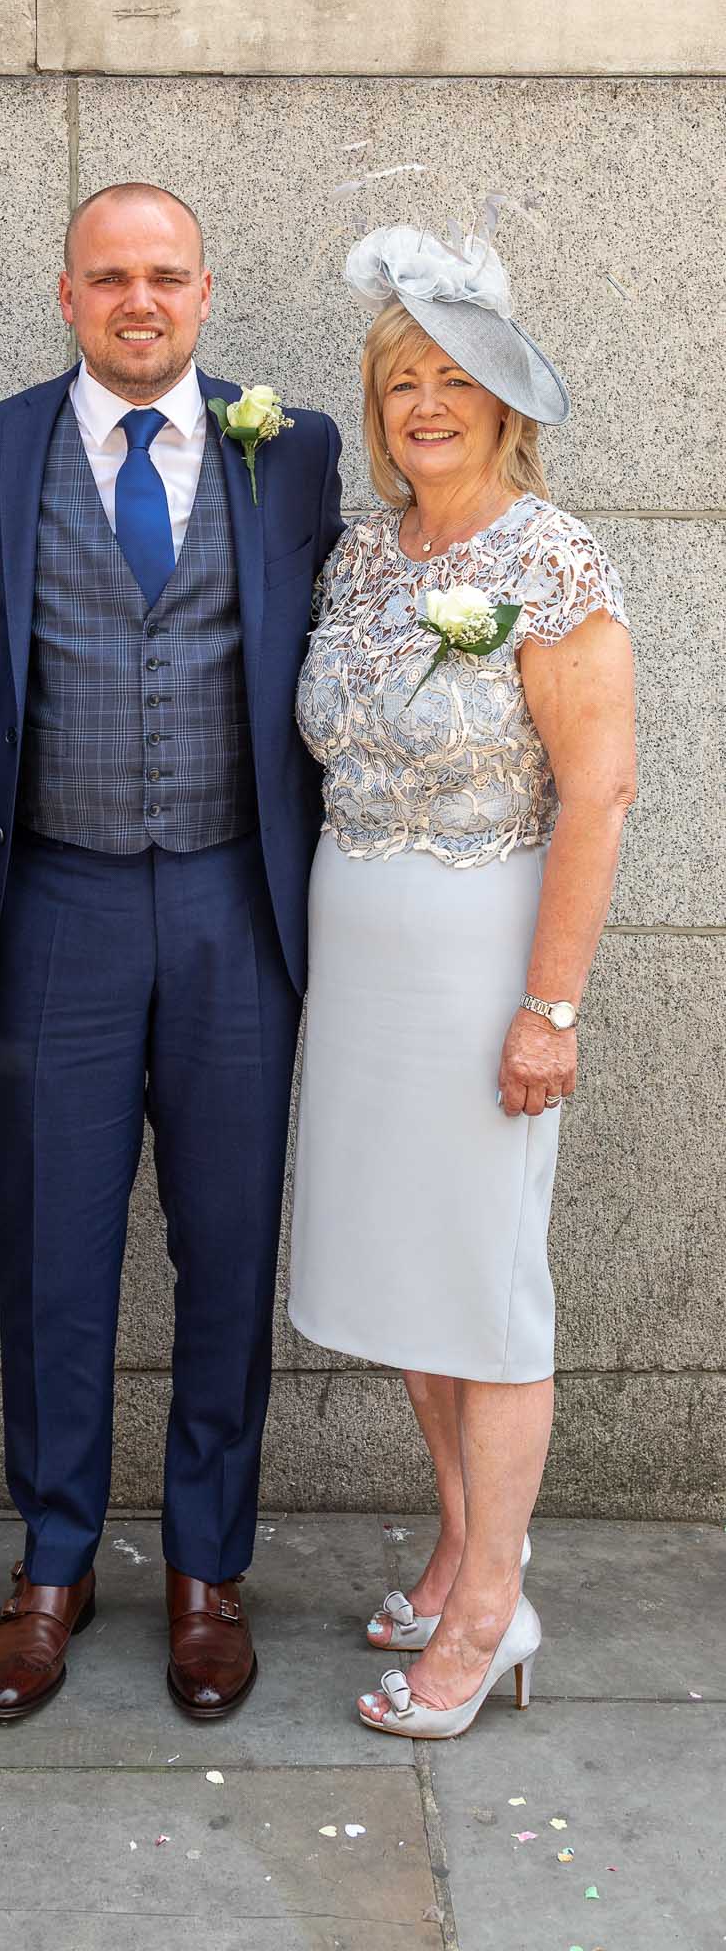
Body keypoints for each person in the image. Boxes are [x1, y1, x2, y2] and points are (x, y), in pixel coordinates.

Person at [0, 182, 343, 1721]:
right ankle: (53, 1561)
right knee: (53, 1246)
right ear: (67, 295)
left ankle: (207, 1569)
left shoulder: (292, 449)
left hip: (239, 903)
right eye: (110, 277)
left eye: (166, 275)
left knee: (226, 1244)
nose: (140, 300)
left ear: (205, 292)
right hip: (60, 903)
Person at [291, 225, 636, 1738]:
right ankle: (456, 1548)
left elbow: (599, 795)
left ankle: (494, 1607)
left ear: (506, 402)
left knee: (486, 1293)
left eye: (455, 378)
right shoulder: (370, 553)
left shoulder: (553, 560)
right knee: (415, 1281)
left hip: (483, 958)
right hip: (361, 962)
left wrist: (549, 1010)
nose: (425, 404)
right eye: (400, 382)